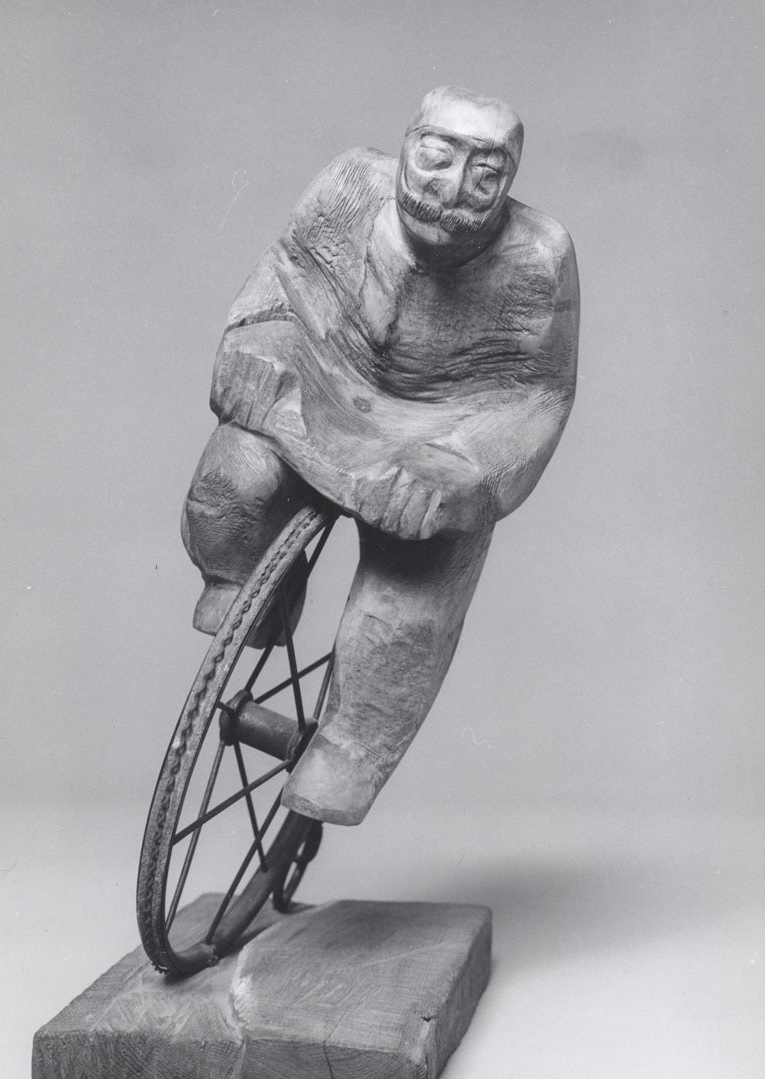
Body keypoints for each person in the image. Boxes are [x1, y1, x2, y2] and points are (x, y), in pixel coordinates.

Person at [181, 86, 580, 825]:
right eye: (436, 158)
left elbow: (536, 395)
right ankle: (246, 587)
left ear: (509, 182)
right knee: (229, 484)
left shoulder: (538, 256)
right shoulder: (348, 186)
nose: (450, 192)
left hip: (439, 438)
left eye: (484, 175)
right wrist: (255, 347)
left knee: (402, 611)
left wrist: (465, 470)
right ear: (406, 144)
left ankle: (351, 746)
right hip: (322, 383)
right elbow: (285, 275)